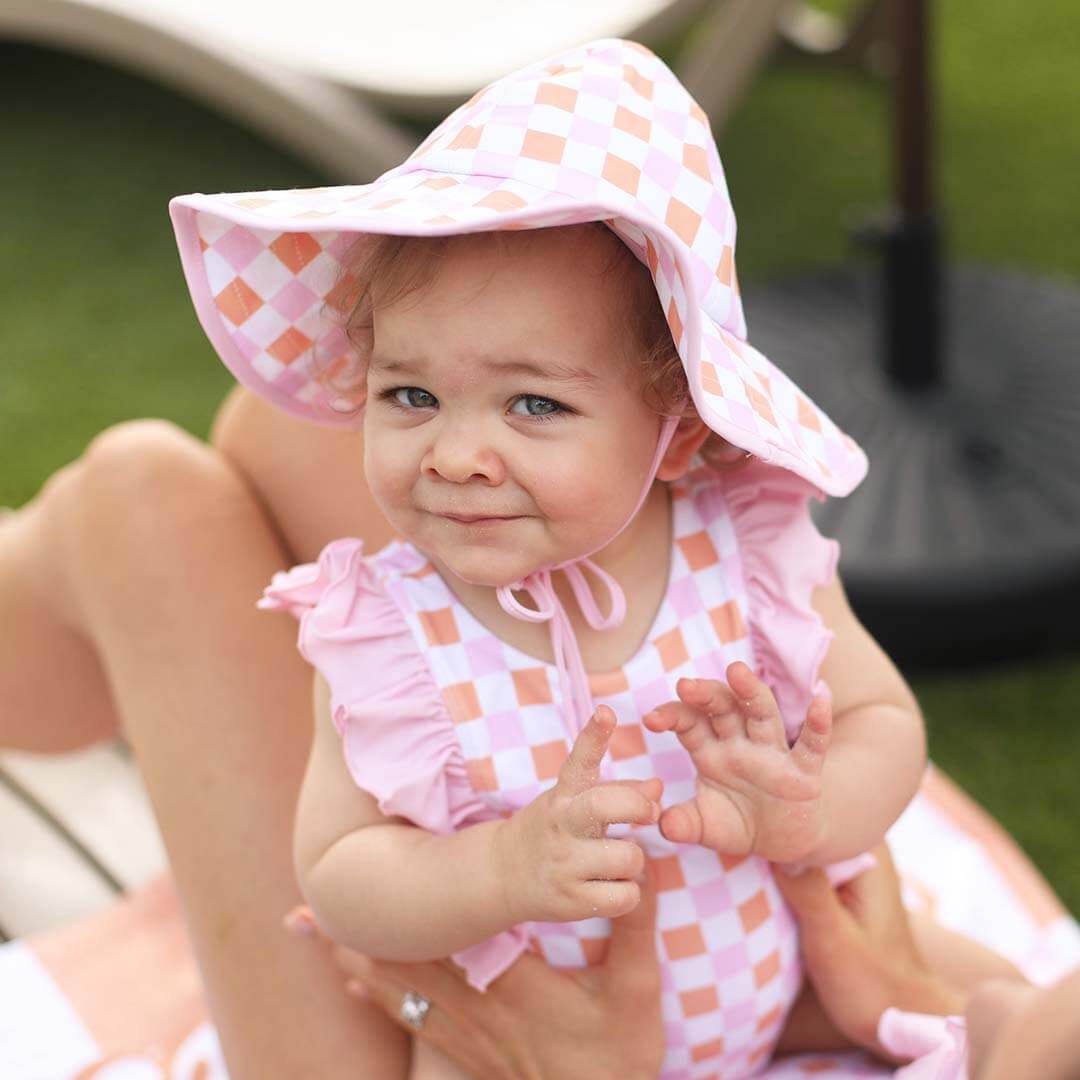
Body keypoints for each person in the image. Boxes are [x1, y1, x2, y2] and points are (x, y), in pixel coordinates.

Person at [169, 39, 928, 1078]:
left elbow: (885, 723)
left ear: (680, 425)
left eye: (536, 404)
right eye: (410, 395)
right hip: (516, 1054)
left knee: (961, 1012)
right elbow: (339, 872)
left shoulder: (739, 552)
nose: (458, 454)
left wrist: (809, 810)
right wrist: (500, 869)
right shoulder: (390, 631)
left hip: (780, 1006)